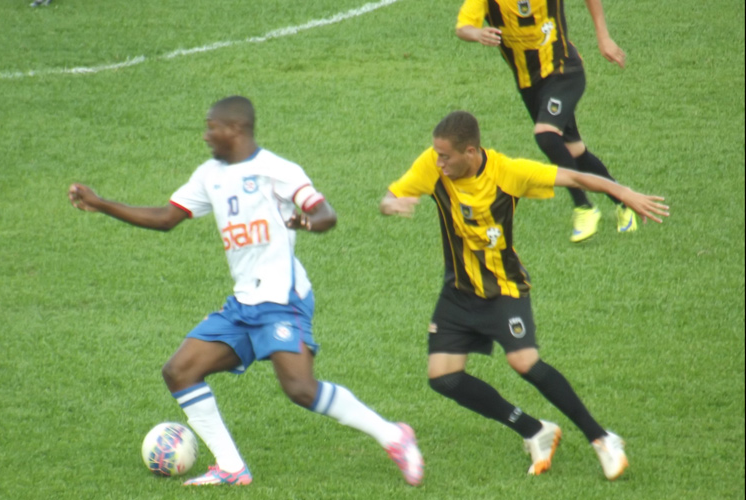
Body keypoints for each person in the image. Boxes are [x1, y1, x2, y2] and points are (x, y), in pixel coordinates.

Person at [68, 96, 423, 487]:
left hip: (282, 299)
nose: (206, 135)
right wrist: (101, 204)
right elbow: (167, 218)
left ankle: (394, 436)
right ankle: (231, 467)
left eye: (211, 127)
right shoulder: (209, 175)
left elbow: (326, 215)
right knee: (180, 371)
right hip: (244, 303)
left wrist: (302, 222)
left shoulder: (277, 171)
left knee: (301, 389)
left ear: (235, 129)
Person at [379, 111, 668, 480]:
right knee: (443, 378)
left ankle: (602, 438)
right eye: (436, 155)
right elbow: (389, 197)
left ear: (470, 151)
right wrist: (393, 205)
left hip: (504, 290)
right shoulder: (433, 167)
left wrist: (623, 192)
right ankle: (534, 430)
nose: (438, 162)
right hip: (458, 292)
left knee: (524, 362)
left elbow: (573, 176)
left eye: (445, 156)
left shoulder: (508, 173)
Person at [455, 0, 633, 243]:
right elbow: (463, 26)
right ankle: (625, 204)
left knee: (546, 134)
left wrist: (603, 37)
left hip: (563, 71)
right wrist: (478, 33)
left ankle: (584, 207)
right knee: (574, 151)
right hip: (530, 85)